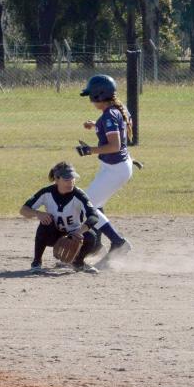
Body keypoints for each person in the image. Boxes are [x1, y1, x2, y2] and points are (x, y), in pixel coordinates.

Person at [77, 74, 133, 264]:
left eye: (91, 97)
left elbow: (115, 145)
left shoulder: (110, 114)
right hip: (115, 167)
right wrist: (96, 125)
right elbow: (116, 127)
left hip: (115, 169)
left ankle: (118, 242)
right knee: (95, 204)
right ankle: (96, 245)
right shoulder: (116, 110)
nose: (91, 101)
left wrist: (89, 150)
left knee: (87, 205)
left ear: (99, 96)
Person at [20, 162, 102, 273]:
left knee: (91, 236)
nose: (71, 182)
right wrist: (38, 213)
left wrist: (79, 231)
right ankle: (37, 262)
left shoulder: (79, 195)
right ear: (57, 179)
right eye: (66, 179)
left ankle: (78, 262)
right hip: (53, 235)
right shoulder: (46, 192)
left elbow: (94, 216)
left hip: (74, 236)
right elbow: (23, 210)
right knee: (45, 222)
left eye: (72, 178)